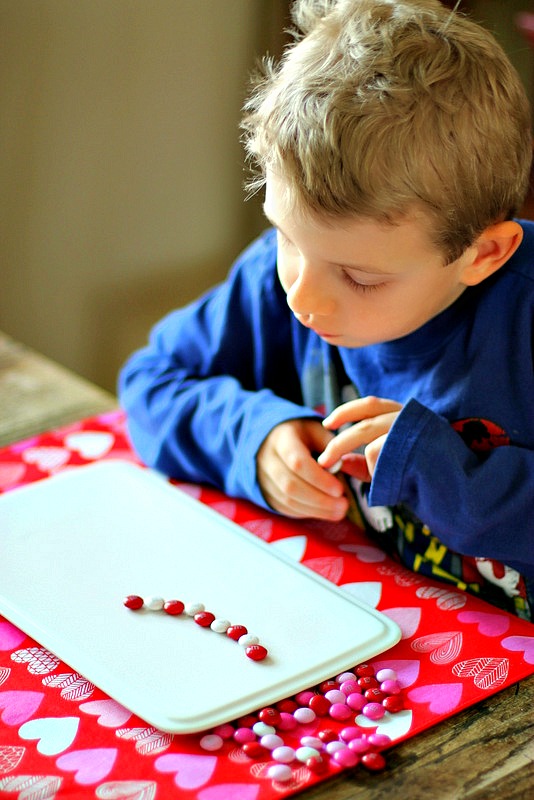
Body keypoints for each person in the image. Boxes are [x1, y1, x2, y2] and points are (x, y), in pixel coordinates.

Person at [119, 0, 534, 619]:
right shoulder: (280, 276)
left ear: (483, 254)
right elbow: (150, 381)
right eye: (287, 237)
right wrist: (253, 439)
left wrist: (448, 474)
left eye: (360, 278)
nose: (302, 297)